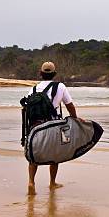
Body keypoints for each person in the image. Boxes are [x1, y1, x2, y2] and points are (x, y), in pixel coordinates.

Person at [26, 61, 79, 195]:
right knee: (55, 154)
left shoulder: (33, 89)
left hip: (35, 127)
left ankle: (31, 182)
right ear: (54, 74)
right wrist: (75, 118)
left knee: (34, 155)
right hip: (53, 126)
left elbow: (26, 108)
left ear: (40, 73)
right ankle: (52, 182)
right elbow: (69, 105)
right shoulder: (60, 87)